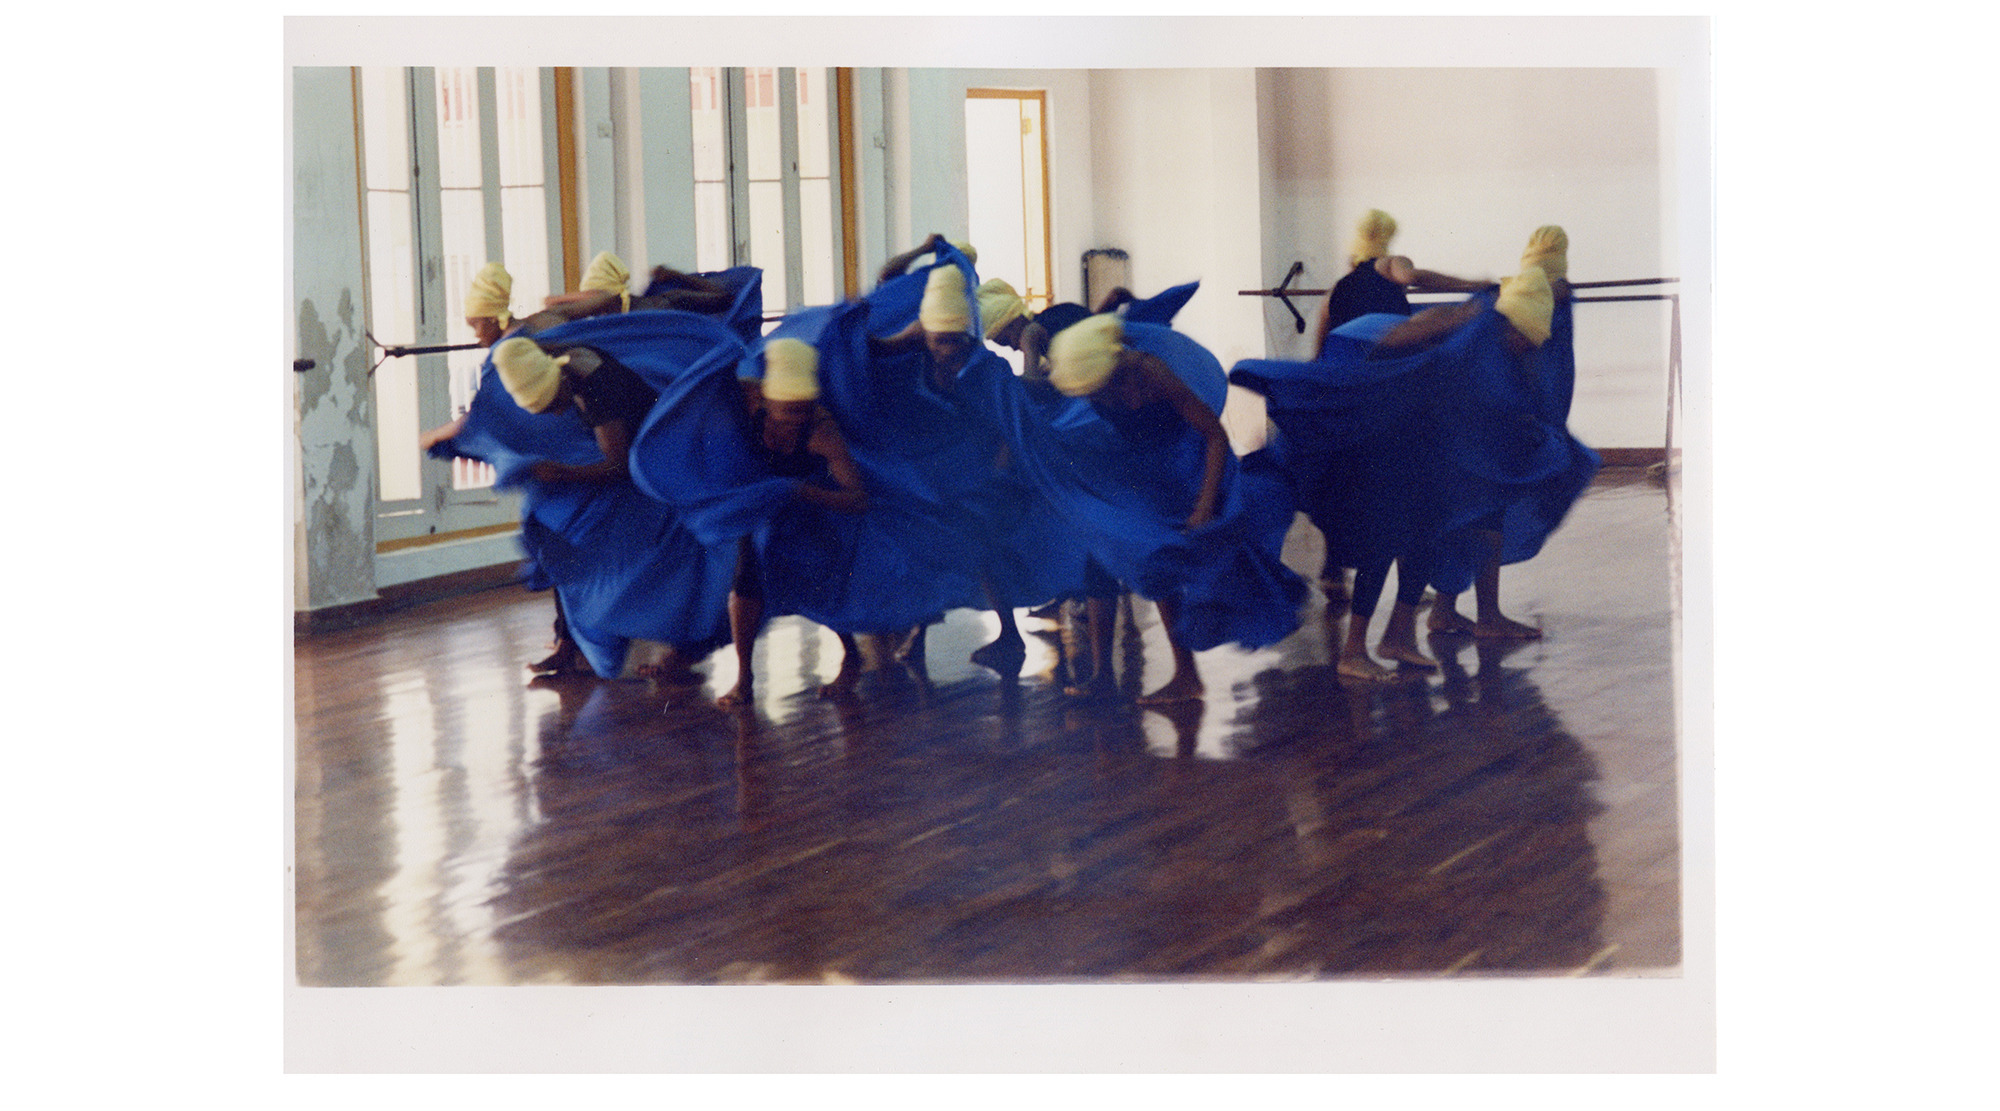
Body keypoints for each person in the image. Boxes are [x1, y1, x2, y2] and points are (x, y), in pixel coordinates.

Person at [714, 339, 873, 708]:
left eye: (803, 412)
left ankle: (851, 652)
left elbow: (857, 500)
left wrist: (801, 492)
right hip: (757, 499)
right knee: (745, 575)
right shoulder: (746, 402)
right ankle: (744, 676)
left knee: (823, 576)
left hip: (807, 503)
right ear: (766, 403)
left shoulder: (822, 434)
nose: (793, 423)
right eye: (786, 413)